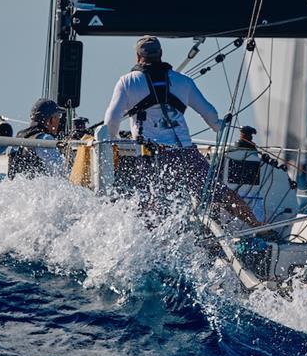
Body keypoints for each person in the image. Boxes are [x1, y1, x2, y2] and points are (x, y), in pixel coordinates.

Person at [103, 36, 261, 227]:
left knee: (151, 203)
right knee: (218, 192)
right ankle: (256, 225)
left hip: (152, 156)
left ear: (138, 57)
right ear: (161, 54)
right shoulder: (183, 81)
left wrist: (115, 141)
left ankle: (156, 242)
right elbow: (210, 114)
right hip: (186, 154)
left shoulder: (127, 82)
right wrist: (218, 126)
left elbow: (111, 121)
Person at [8, 98, 65, 179]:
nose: (59, 120)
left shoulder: (20, 136)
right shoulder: (45, 139)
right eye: (58, 116)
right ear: (50, 120)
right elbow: (60, 171)